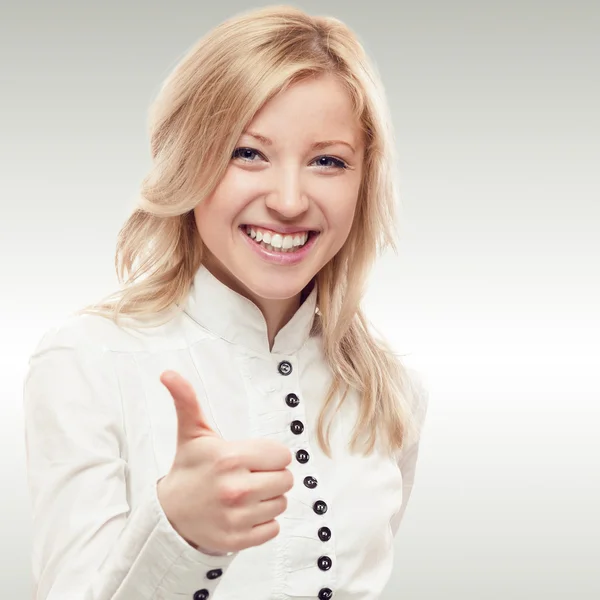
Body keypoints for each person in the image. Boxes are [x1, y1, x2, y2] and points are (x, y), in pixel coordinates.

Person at [23, 5, 429, 600]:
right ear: (188, 159)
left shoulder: (389, 389)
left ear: (364, 182)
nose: (289, 200)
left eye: (328, 161)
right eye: (248, 153)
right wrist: (179, 535)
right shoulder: (85, 361)